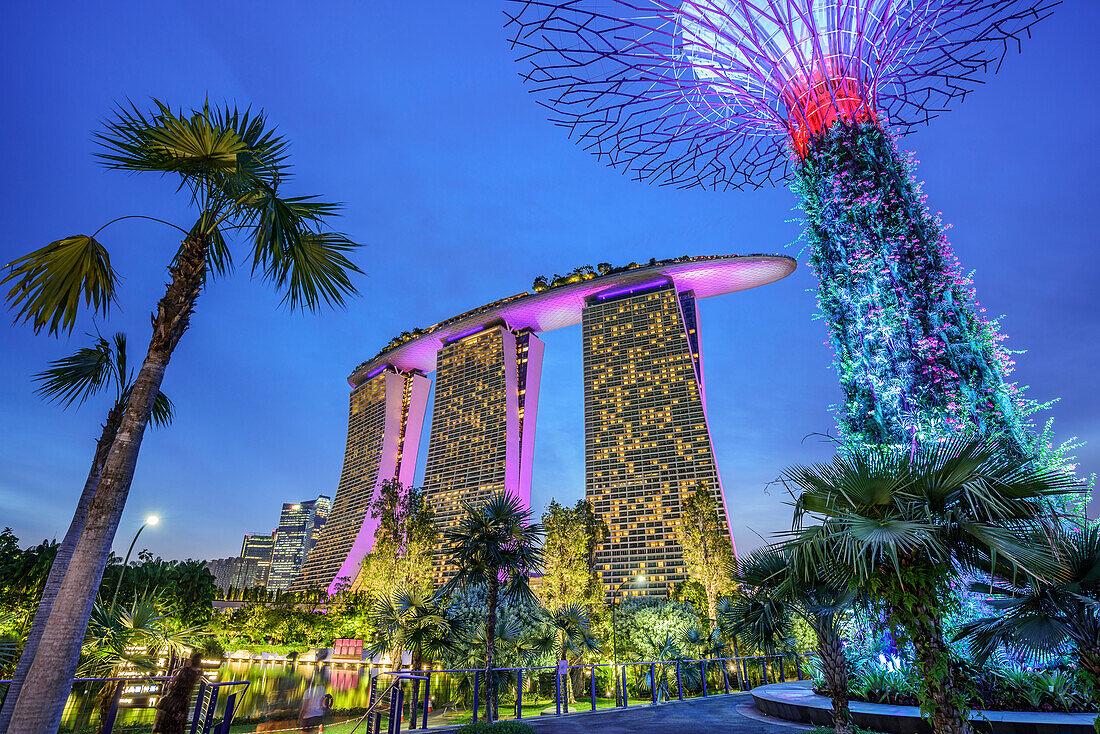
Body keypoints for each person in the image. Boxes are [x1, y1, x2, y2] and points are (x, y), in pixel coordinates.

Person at [152, 651, 203, 734]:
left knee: (167, 721)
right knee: (179, 723)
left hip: (174, 699)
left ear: (191, 660)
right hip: (184, 701)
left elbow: (170, 684)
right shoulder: (198, 674)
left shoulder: (183, 670)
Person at [299, 668, 329, 733]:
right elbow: (324, 703)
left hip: (308, 718)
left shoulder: (307, 692)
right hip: (319, 716)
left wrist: (300, 719)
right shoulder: (322, 689)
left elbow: (305, 708)